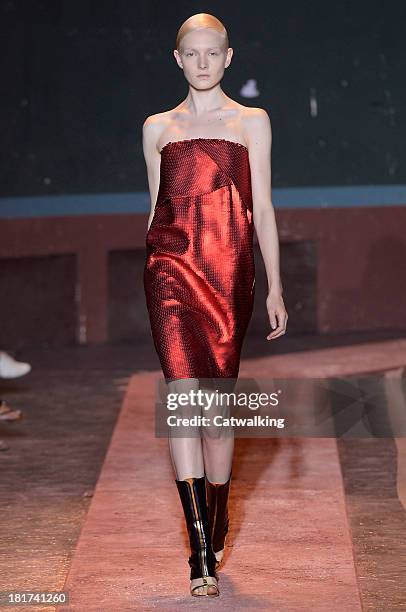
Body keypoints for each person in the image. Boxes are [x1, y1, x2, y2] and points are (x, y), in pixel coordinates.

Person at [143, 13, 288, 597]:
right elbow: (154, 207)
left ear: (229, 58)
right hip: (170, 271)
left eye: (213, 54)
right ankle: (200, 550)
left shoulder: (252, 121)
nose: (202, 64)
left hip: (229, 273)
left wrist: (275, 284)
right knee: (183, 398)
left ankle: (220, 508)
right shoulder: (157, 127)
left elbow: (266, 207)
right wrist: (152, 269)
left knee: (217, 413)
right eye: (192, 54)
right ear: (177, 59)